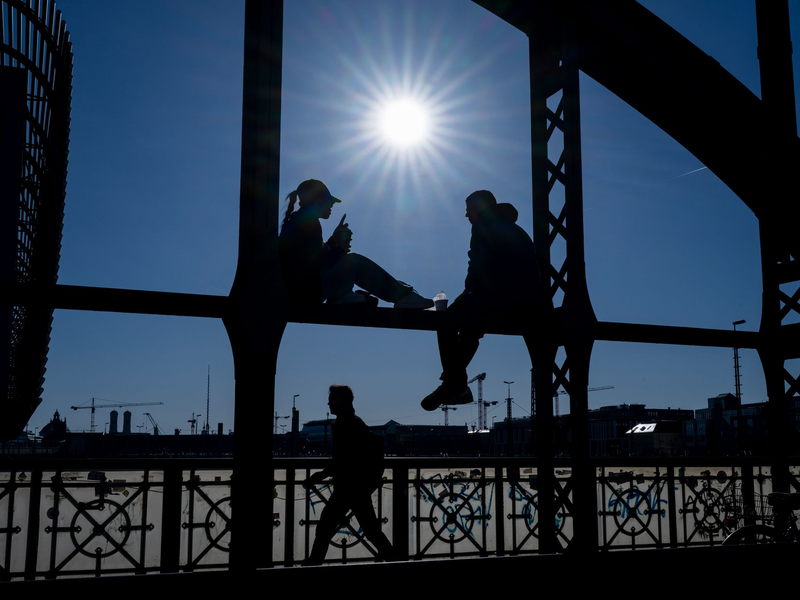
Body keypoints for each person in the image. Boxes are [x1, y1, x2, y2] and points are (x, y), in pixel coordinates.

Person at [422, 190, 546, 411]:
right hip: (526, 302)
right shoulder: (514, 228)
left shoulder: (483, 225)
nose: (466, 215)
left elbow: (479, 263)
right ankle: (454, 385)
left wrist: (468, 293)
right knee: (470, 327)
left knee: (445, 318)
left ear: (479, 208)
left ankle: (456, 385)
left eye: (468, 209)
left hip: (501, 298)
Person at [279, 179, 432, 311]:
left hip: (302, 293)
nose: (332, 206)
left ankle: (344, 296)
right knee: (355, 261)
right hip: (307, 295)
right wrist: (340, 249)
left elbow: (311, 256)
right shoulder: (309, 223)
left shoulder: (299, 221)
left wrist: (333, 241)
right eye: (330, 202)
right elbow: (315, 266)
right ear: (319, 200)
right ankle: (403, 296)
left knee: (350, 261)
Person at [303, 385, 394, 565]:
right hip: (356, 487)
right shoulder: (353, 422)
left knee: (325, 527)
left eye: (333, 399)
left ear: (345, 401)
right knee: (370, 530)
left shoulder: (346, 425)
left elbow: (344, 459)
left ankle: (313, 564)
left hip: (348, 487)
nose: (329, 403)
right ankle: (395, 560)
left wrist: (320, 475)